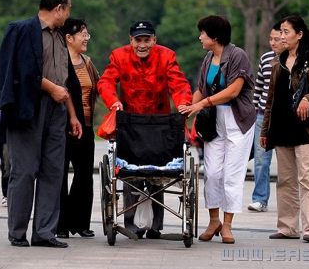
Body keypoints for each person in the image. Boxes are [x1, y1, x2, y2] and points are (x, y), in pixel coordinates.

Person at [0, 0, 82, 248]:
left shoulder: (60, 37)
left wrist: (72, 114)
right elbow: (20, 71)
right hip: (28, 108)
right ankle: (18, 232)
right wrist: (51, 88)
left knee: (53, 171)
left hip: (57, 109)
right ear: (58, 8)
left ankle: (45, 232)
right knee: (24, 171)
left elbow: (64, 78)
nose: (69, 15)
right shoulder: (22, 29)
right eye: (68, 9)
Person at [97, 20, 192, 239]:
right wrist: (113, 101)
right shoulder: (119, 56)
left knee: (157, 174)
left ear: (154, 40)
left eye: (147, 40)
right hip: (130, 123)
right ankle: (132, 226)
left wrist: (183, 103)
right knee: (131, 175)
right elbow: (105, 82)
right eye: (138, 40)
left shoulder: (166, 56)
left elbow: (179, 84)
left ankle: (155, 226)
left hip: (159, 124)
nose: (142, 45)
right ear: (131, 40)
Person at [260, 15, 309, 243]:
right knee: (285, 181)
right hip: (282, 129)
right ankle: (287, 227)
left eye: (286, 32)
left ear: (299, 34)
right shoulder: (277, 61)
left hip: (305, 129)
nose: (282, 36)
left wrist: (308, 99)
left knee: (307, 178)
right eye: (280, 32)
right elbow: (270, 100)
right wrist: (264, 131)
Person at [181, 15, 255, 244]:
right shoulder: (208, 58)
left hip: (237, 119)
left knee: (231, 175)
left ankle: (228, 225)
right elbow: (201, 89)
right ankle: (214, 220)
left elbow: (233, 91)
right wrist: (190, 107)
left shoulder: (237, 56)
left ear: (215, 36)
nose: (199, 37)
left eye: (202, 33)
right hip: (213, 121)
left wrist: (201, 104)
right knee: (212, 173)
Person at [56, 18, 100, 238]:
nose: (86, 38)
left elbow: (101, 86)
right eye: (82, 33)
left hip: (87, 125)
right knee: (60, 174)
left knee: (84, 175)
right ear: (68, 38)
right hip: (62, 127)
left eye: (87, 34)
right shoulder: (58, 63)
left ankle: (81, 223)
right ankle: (61, 224)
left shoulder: (87, 62)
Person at [248, 21, 284, 212]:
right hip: (263, 117)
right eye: (270, 39)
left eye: (276, 39)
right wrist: (254, 113)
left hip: (285, 119)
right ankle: (260, 199)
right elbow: (259, 88)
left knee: (287, 162)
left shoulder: (294, 60)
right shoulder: (265, 59)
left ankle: (287, 201)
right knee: (261, 160)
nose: (272, 42)